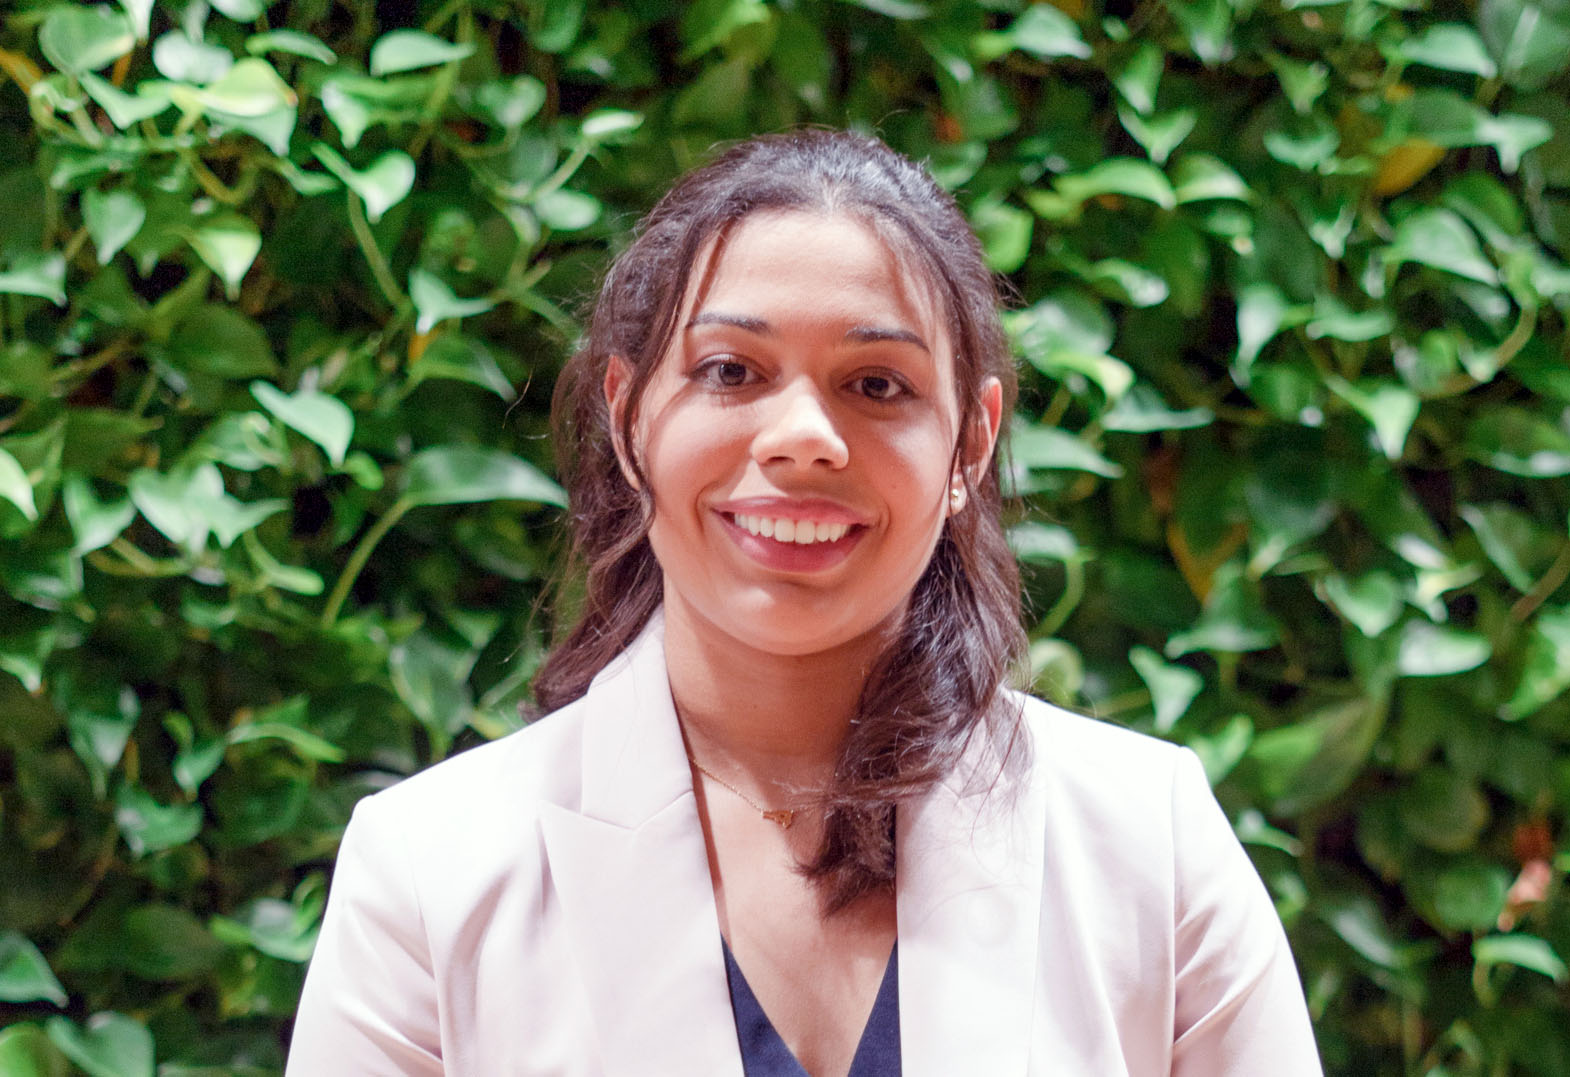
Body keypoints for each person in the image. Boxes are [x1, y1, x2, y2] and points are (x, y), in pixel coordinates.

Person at [286, 130, 1322, 1076]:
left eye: (876, 385)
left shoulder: (1151, 841)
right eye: (731, 370)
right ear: (625, 414)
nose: (802, 438)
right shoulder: (427, 872)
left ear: (970, 444)